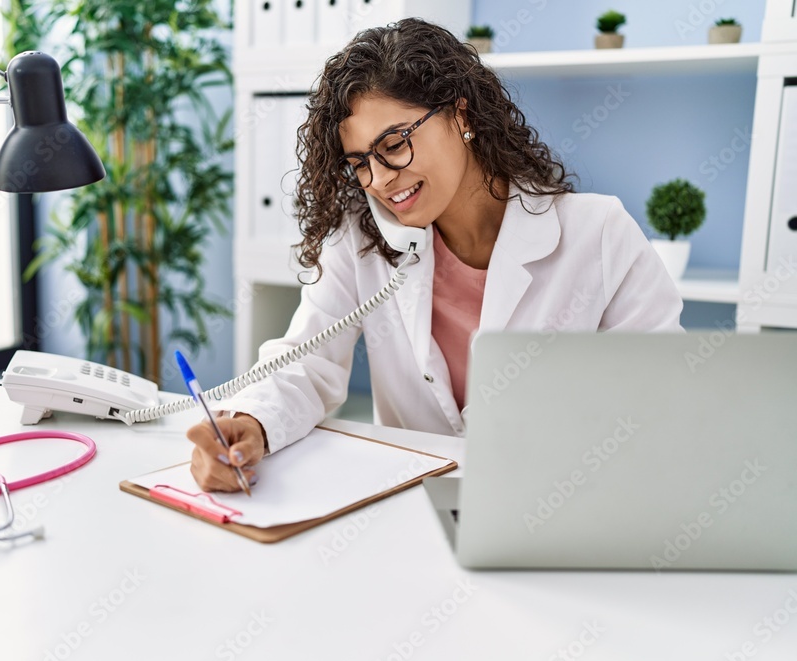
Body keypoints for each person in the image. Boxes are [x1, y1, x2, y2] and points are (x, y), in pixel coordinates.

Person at [187, 18, 683, 492]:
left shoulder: (597, 233)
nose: (380, 180)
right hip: (412, 506)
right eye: (359, 163)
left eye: (395, 143)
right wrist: (250, 421)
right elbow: (304, 362)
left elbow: (663, 397)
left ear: (461, 115)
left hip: (561, 502)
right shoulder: (362, 239)